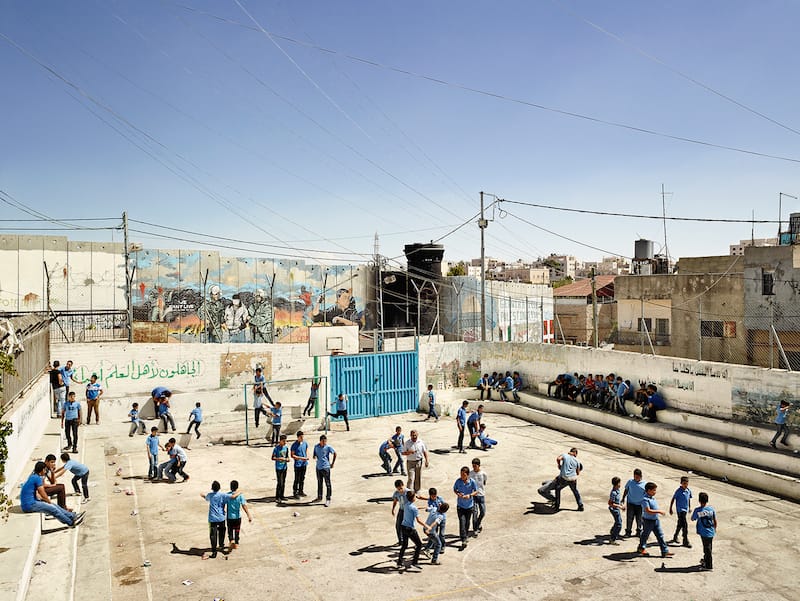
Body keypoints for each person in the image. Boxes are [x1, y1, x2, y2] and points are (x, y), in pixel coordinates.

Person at [20, 462, 84, 527]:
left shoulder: (33, 476)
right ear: (42, 470)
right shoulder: (37, 478)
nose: (45, 472)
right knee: (53, 509)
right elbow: (42, 493)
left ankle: (73, 516)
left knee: (54, 505)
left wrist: (46, 501)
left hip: (31, 502)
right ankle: (71, 523)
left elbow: (36, 493)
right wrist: (48, 501)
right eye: (44, 470)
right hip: (30, 505)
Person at [201, 480, 242, 558]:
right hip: (221, 517)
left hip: (212, 518)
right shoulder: (223, 495)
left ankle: (214, 551)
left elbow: (206, 498)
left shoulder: (210, 495)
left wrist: (202, 495)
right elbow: (233, 497)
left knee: (213, 535)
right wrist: (240, 492)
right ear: (219, 488)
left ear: (212, 488)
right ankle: (221, 545)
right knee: (222, 532)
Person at [637, 482, 674, 558]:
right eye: (654, 490)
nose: (655, 492)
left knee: (660, 536)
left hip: (655, 520)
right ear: (649, 490)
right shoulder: (645, 499)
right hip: (648, 521)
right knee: (645, 535)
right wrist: (659, 511)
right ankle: (641, 548)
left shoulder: (652, 498)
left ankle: (665, 551)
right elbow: (648, 510)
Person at [397, 489, 426, 571]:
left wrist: (421, 508)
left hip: (403, 527)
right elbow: (418, 520)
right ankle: (415, 562)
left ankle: (399, 561)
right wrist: (426, 526)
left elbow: (413, 508)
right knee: (419, 545)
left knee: (404, 545)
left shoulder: (406, 505)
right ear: (413, 497)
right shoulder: (414, 508)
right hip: (410, 529)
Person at [453, 465, 478, 550]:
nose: (461, 476)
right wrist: (458, 494)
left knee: (467, 522)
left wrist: (470, 495)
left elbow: (476, 491)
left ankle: (465, 535)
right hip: (460, 506)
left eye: (463, 475)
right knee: (462, 522)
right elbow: (455, 489)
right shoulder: (458, 481)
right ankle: (463, 539)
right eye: (461, 474)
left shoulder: (472, 482)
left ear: (467, 475)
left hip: (469, 506)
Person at [691, 492, 717, 570]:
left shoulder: (698, 510)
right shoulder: (711, 509)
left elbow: (693, 518)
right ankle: (705, 560)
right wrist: (714, 529)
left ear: (699, 501)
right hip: (711, 531)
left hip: (703, 532)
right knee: (708, 547)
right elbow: (715, 520)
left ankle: (708, 565)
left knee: (707, 549)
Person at [226, 480, 252, 550]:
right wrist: (248, 515)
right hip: (237, 517)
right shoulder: (240, 496)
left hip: (229, 517)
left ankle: (231, 540)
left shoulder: (227, 495)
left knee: (230, 530)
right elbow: (244, 506)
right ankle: (236, 543)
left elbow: (223, 504)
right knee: (237, 530)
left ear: (230, 487)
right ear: (237, 487)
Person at [312, 434, 336, 506]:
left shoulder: (328, 447)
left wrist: (332, 463)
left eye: (325, 441)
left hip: (326, 467)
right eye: (323, 441)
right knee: (319, 483)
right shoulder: (316, 447)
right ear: (320, 441)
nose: (324, 443)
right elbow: (314, 454)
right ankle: (319, 497)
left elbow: (335, 453)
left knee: (327, 483)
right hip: (318, 467)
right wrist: (314, 456)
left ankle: (328, 499)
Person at [669, 476, 693, 548]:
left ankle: (675, 536)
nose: (685, 485)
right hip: (680, 510)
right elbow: (673, 499)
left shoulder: (688, 491)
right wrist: (670, 508)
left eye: (686, 483)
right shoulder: (678, 491)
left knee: (680, 524)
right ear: (681, 483)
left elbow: (688, 499)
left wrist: (689, 507)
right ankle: (685, 540)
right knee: (685, 525)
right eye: (684, 483)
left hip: (685, 509)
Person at [622, 468, 646, 538]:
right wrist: (623, 498)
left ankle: (638, 532)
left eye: (637, 477)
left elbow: (646, 494)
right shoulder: (630, 482)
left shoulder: (644, 484)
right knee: (629, 518)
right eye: (635, 477)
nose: (636, 478)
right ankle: (628, 532)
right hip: (630, 503)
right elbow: (626, 489)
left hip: (640, 505)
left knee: (639, 519)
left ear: (641, 476)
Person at [469, 458, 487, 534]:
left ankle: (478, 523)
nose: (474, 467)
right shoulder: (470, 473)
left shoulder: (483, 474)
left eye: (475, 466)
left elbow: (484, 482)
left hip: (481, 494)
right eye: (473, 466)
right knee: (475, 512)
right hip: (473, 495)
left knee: (483, 511)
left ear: (479, 465)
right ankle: (475, 529)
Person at [290, 430, 309, 498]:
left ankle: (301, 490)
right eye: (301, 437)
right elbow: (292, 455)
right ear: (298, 437)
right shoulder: (294, 445)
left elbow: (306, 450)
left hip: (304, 464)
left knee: (302, 478)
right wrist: (301, 458)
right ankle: (295, 492)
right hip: (298, 464)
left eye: (302, 437)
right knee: (297, 479)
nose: (302, 438)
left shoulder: (305, 443)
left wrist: (306, 457)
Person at [272, 434, 290, 501]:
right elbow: (273, 457)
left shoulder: (286, 448)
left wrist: (287, 459)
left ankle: (282, 495)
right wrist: (279, 458)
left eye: (285, 441)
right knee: (280, 482)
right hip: (278, 468)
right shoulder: (276, 448)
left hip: (284, 467)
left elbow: (287, 456)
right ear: (280, 441)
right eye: (284, 441)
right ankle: (277, 496)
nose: (285, 442)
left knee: (283, 482)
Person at [607, 476, 625, 544]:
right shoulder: (613, 493)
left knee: (618, 521)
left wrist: (621, 505)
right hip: (614, 509)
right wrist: (620, 507)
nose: (620, 484)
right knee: (619, 524)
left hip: (617, 509)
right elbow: (610, 503)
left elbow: (618, 501)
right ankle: (613, 538)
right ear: (617, 484)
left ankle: (612, 531)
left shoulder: (617, 490)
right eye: (620, 483)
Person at [391, 480, 407, 545]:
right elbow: (395, 501)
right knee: (398, 526)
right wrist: (393, 509)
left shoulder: (408, 492)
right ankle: (401, 541)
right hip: (401, 510)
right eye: (398, 489)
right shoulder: (396, 493)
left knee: (407, 527)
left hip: (407, 511)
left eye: (401, 488)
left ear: (403, 485)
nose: (400, 490)